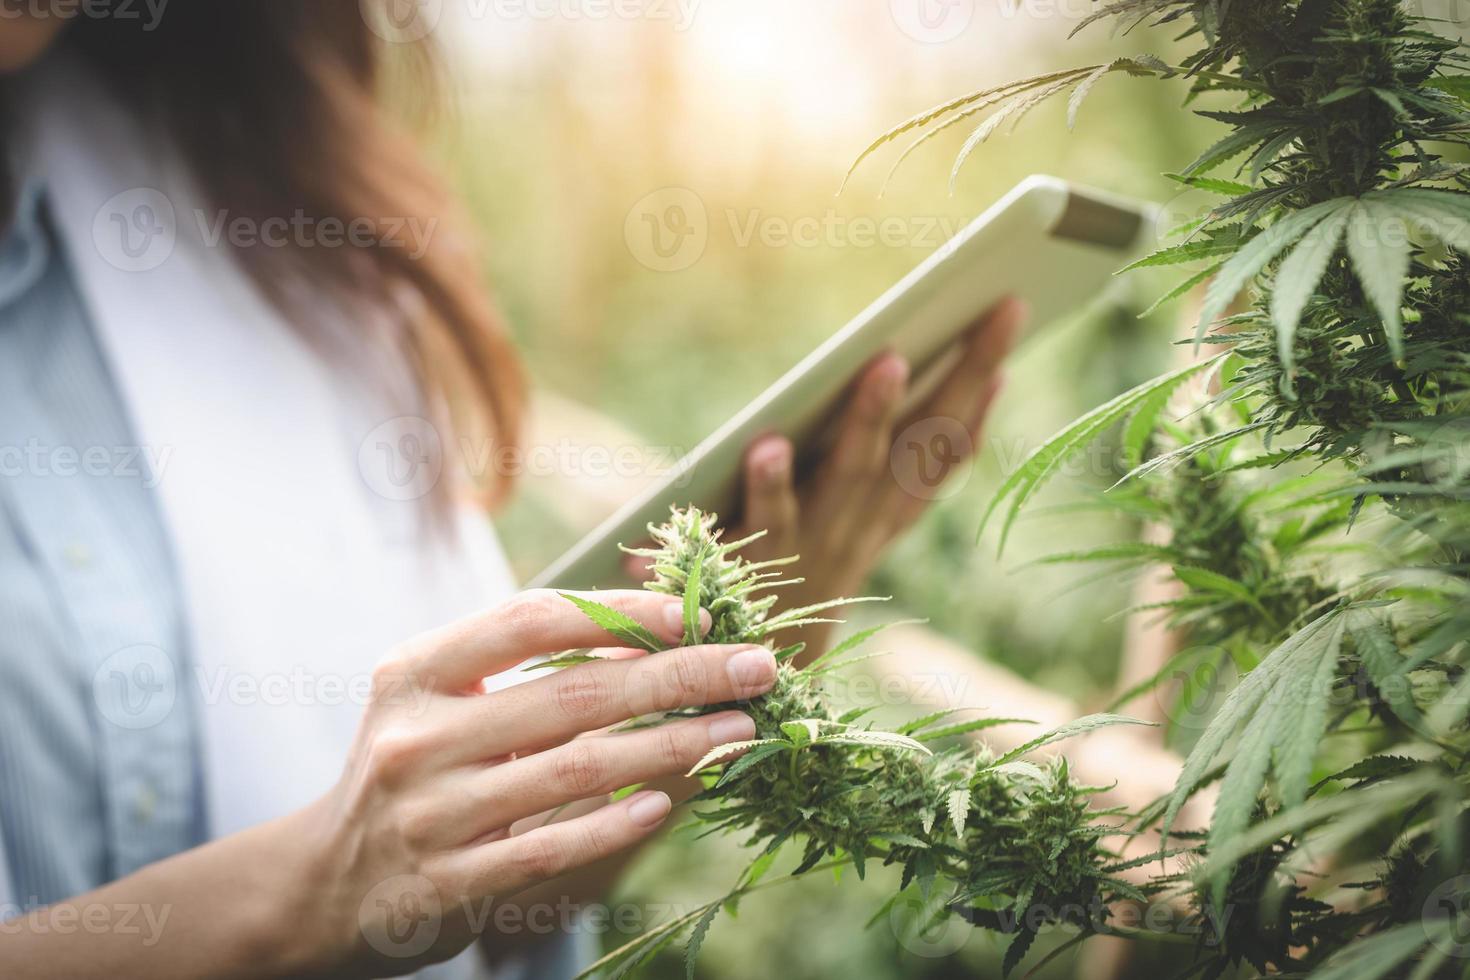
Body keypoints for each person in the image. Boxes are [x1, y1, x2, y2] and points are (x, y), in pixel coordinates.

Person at [0, 5, 1019, 977]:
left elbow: (469, 916)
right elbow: (347, 883)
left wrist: (708, 699)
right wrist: (297, 894)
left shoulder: (263, 220)